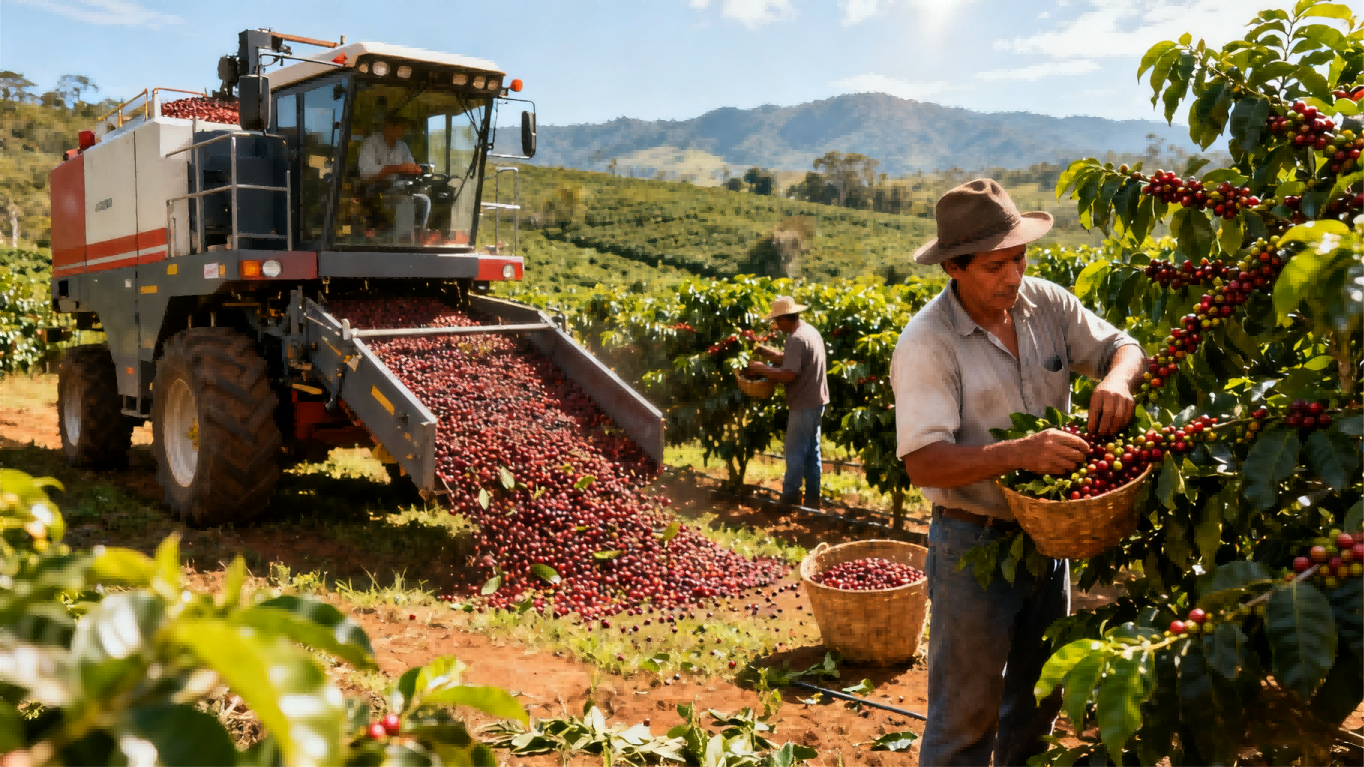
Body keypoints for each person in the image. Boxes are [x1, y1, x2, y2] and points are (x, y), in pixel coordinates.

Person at [889, 179, 1144, 767]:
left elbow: (1123, 346)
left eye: (1020, 259)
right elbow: (922, 462)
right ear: (953, 267)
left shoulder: (1045, 304)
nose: (1012, 276)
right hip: (971, 542)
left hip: (1048, 539)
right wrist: (1018, 453)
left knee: (1035, 701)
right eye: (994, 266)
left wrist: (1115, 378)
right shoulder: (928, 343)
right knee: (965, 716)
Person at [747, 296, 829, 509]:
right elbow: (792, 357)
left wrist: (760, 368)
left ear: (785, 318)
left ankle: (789, 499)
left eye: (777, 320)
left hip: (803, 403)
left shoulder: (795, 338)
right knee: (812, 452)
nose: (776, 325)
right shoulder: (808, 331)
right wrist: (765, 352)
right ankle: (812, 501)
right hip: (816, 401)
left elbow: (789, 374)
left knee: (795, 453)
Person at [356, 115, 430, 230]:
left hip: (396, 187)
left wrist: (417, 170)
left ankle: (417, 234)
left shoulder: (402, 146)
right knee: (403, 200)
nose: (403, 132)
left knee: (424, 200)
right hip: (374, 189)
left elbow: (409, 167)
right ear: (389, 126)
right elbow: (366, 176)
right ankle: (400, 237)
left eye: (404, 129)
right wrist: (397, 169)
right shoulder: (371, 143)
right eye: (401, 128)